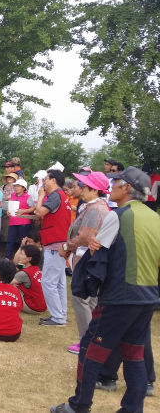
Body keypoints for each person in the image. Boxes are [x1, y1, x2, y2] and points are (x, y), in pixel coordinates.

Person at [52, 166, 160, 413]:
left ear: (127, 188)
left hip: (119, 295)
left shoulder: (118, 216)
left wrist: (91, 247)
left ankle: (79, 404)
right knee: (134, 354)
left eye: (116, 182)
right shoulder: (155, 218)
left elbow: (99, 253)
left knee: (90, 349)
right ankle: (133, 408)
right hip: (147, 296)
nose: (111, 187)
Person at [61, 170, 111, 354]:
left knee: (81, 297)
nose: (80, 188)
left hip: (87, 257)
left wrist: (67, 247)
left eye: (83, 185)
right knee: (89, 300)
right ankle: (89, 340)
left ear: (94, 189)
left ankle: (87, 342)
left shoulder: (96, 209)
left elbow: (85, 236)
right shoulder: (92, 206)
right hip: (86, 256)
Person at [34, 169, 72, 326]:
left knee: (49, 282)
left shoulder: (55, 195)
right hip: (60, 242)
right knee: (59, 282)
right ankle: (61, 314)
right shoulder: (62, 196)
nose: (44, 183)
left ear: (54, 180)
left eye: (46, 179)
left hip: (55, 244)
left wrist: (41, 196)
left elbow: (39, 212)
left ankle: (58, 317)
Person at [11, 244, 47, 314]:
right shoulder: (37, 269)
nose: (19, 256)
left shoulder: (24, 274)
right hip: (43, 306)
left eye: (22, 254)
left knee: (10, 286)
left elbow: (5, 283)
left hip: (33, 307)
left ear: (29, 258)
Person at [5, 178, 32, 259]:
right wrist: (8, 212)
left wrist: (23, 211)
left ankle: (22, 259)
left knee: (23, 242)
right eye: (15, 186)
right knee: (10, 241)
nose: (16, 187)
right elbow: (9, 206)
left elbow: (33, 208)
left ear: (23, 188)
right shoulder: (12, 195)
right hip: (12, 221)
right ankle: (7, 258)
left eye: (18, 186)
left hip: (24, 222)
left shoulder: (28, 196)